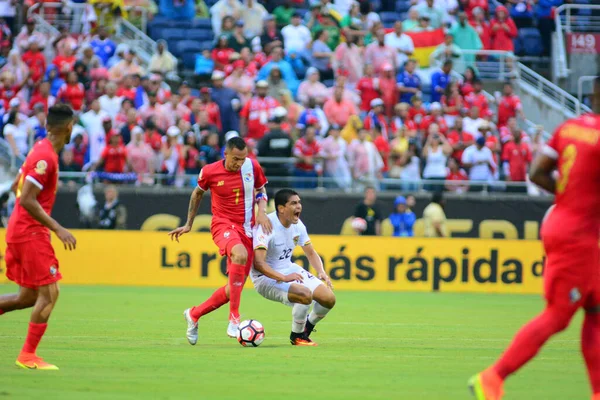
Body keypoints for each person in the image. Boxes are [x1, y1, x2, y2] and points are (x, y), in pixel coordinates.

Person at [469, 76, 600, 400]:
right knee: (558, 316)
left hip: (562, 222)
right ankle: (492, 378)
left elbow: (537, 171)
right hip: (577, 237)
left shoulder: (570, 128)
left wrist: (571, 198)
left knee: (596, 309)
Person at [171, 137, 271, 342]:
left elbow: (261, 190)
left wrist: (262, 211)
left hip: (247, 229)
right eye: (235, 159)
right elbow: (196, 194)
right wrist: (189, 223)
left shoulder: (252, 167)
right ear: (225, 154)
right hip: (223, 224)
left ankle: (194, 314)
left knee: (232, 288)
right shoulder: (210, 171)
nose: (239, 163)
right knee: (239, 254)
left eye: (243, 159)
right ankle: (234, 318)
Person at [0, 105, 77, 370]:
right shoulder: (47, 156)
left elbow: (15, 186)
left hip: (19, 230)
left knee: (28, 297)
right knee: (50, 292)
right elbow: (28, 199)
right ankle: (27, 356)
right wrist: (57, 227)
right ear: (69, 126)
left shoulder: (39, 148)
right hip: (30, 232)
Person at [252, 189, 335, 346]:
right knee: (305, 295)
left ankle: (306, 329)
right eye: (294, 203)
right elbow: (259, 264)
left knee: (328, 299)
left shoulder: (298, 225)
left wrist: (321, 271)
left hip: (289, 268)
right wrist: (283, 278)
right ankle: (297, 336)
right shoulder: (266, 226)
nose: (299, 206)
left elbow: (310, 253)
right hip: (265, 278)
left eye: (299, 202)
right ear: (281, 208)